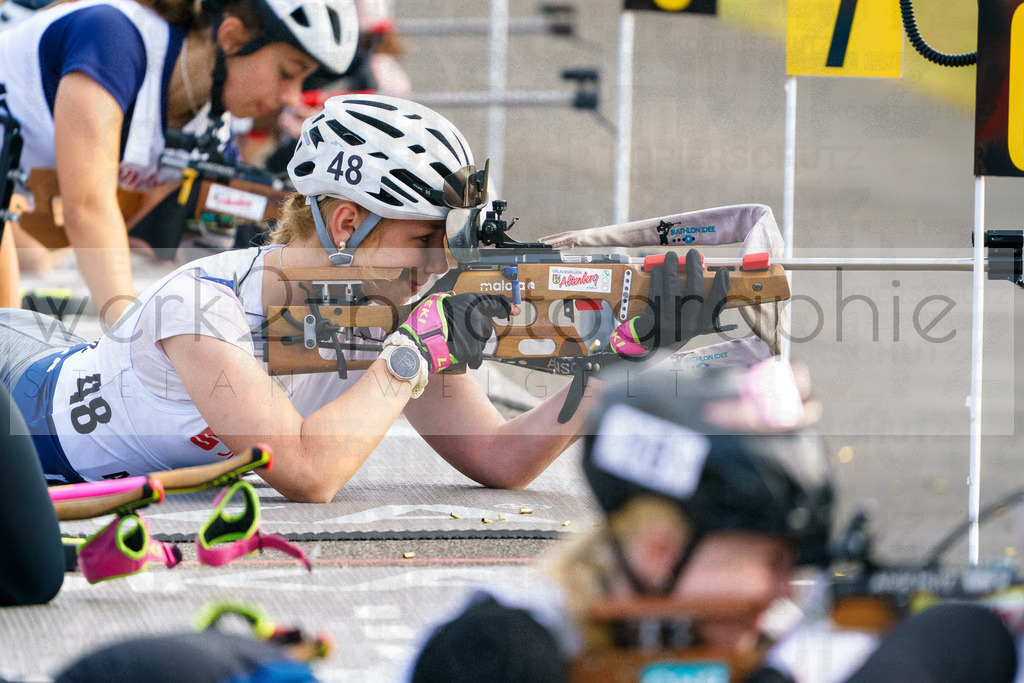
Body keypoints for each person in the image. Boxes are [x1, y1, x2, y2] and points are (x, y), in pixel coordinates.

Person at [0, 94, 729, 503]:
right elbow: (308, 473)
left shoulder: (386, 309)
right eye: (426, 242)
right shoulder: (202, 306)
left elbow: (497, 454)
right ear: (347, 223)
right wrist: (408, 358)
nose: (441, 267)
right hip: (22, 404)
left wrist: (611, 371)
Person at [409, 360, 1019, 682]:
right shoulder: (501, 657)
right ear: (658, 549)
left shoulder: (770, 657)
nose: (786, 592)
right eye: (770, 560)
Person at [0, 0, 360, 324]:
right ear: (231, 37)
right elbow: (87, 208)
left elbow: (224, 237)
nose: (292, 96)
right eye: (287, 72)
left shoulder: (214, 122)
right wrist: (132, 337)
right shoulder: (112, 37)